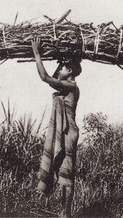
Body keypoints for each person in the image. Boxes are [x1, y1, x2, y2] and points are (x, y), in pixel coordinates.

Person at [31, 38, 81, 218]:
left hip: (68, 133)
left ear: (70, 71)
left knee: (66, 174)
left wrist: (37, 53)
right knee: (62, 171)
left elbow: (45, 77)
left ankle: (65, 214)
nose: (59, 70)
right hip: (66, 132)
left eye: (62, 67)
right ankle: (63, 212)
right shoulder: (67, 87)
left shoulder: (71, 85)